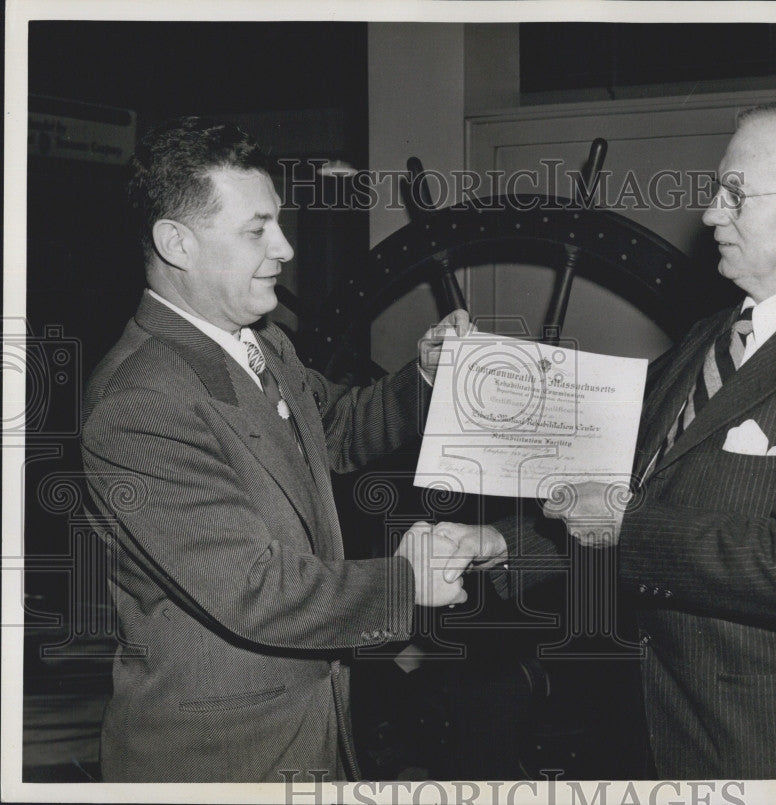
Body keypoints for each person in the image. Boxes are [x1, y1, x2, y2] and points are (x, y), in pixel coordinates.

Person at [437, 102, 776, 778]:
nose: (710, 214)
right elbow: (617, 482)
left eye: (736, 194)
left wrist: (627, 526)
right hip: (670, 730)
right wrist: (499, 541)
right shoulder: (707, 339)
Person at [80, 116, 505, 782]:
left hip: (309, 726)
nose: (284, 248)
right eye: (256, 230)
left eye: (277, 222)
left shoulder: (261, 340)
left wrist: (426, 375)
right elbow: (254, 589)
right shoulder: (141, 403)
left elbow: (332, 426)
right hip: (221, 756)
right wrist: (408, 582)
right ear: (176, 242)